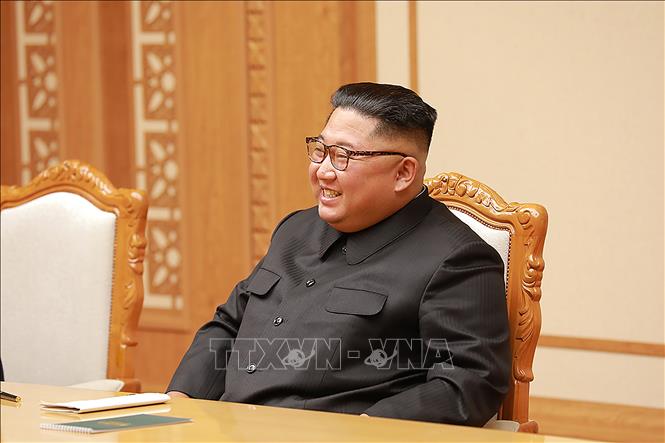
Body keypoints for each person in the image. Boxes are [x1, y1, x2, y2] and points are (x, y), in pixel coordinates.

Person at [167, 82, 511, 426]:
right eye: (320, 150)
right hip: (226, 427)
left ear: (403, 173)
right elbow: (230, 323)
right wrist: (180, 401)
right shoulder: (295, 229)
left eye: (343, 156)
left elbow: (469, 381)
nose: (323, 171)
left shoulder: (456, 258)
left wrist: (364, 429)